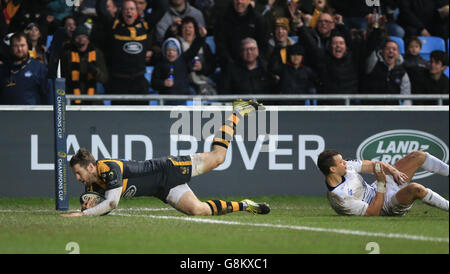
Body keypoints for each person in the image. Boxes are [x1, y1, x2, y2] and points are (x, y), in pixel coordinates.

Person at [60, 100, 270, 217]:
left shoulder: (107, 167)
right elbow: (99, 206)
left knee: (218, 158)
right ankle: (245, 205)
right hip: (162, 189)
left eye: (78, 173)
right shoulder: (92, 188)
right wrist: (87, 207)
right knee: (198, 211)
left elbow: (112, 202)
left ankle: (237, 111)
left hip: (169, 169)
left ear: (90, 166)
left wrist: (83, 215)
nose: (77, 178)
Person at [317, 149, 449, 216]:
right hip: (384, 207)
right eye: (341, 162)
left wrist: (393, 171)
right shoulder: (340, 198)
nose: (345, 162)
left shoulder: (346, 168)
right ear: (332, 169)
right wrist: (381, 184)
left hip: (379, 188)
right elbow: (373, 212)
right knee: (415, 189)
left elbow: (374, 165)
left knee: (418, 155)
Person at [95, 0, 153, 105]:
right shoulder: (114, 26)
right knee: (119, 118)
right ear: (122, 11)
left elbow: (162, 8)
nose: (129, 12)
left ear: (137, 11)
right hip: (119, 82)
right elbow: (101, 9)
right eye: (126, 9)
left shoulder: (145, 26)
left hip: (139, 82)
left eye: (132, 9)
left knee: (142, 118)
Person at [163, 16, 217, 95]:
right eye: (184, 27)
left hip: (203, 81)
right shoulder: (177, 44)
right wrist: (172, 29)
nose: (187, 30)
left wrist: (202, 68)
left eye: (190, 27)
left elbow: (212, 65)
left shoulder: (204, 46)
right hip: (184, 82)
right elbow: (167, 46)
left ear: (195, 30)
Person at [214, 0, 269, 71]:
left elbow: (263, 47)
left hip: (254, 68)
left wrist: (253, 64)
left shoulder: (258, 19)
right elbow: (220, 46)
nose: (239, 1)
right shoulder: (222, 18)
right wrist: (231, 65)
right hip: (229, 68)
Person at [61, 25, 108, 105]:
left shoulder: (97, 53)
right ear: (73, 40)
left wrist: (96, 72)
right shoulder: (67, 54)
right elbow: (62, 76)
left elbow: (104, 79)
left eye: (84, 37)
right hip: (72, 99)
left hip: (93, 100)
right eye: (78, 37)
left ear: (88, 40)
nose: (81, 40)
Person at [0, 32, 48, 105]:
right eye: (15, 46)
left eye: (22, 45)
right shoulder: (3, 69)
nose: (19, 49)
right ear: (10, 47)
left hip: (32, 114)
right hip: (7, 114)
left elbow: (47, 94)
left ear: (28, 46)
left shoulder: (39, 68)